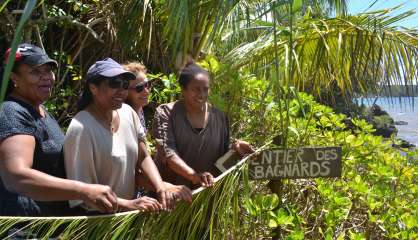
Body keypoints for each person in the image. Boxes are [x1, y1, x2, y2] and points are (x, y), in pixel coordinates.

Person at [0, 43, 118, 216]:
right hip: (23, 229)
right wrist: (83, 190)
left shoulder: (42, 112)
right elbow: (16, 177)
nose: (46, 77)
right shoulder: (12, 112)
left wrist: (123, 202)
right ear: (13, 78)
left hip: (49, 227)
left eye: (48, 71)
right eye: (35, 72)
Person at [64, 58, 190, 213]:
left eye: (124, 85)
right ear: (93, 87)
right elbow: (83, 192)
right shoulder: (81, 128)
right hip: (97, 221)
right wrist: (128, 204)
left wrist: (160, 187)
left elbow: (143, 156)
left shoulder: (128, 113)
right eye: (114, 84)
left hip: (127, 218)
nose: (121, 90)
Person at [152, 61, 254, 188]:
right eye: (195, 89)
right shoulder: (166, 113)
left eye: (205, 89)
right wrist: (193, 175)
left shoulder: (220, 118)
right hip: (172, 195)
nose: (201, 94)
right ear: (183, 90)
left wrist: (236, 147)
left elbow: (222, 155)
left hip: (204, 195)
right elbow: (168, 153)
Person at [122, 61, 193, 202]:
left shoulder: (139, 110)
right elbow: (128, 171)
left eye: (147, 85)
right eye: (139, 88)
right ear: (125, 91)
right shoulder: (123, 117)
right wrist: (162, 186)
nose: (146, 91)